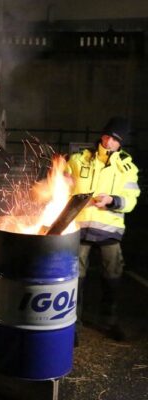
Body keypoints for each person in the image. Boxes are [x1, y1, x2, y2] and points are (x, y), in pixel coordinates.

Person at [67, 116, 141, 341]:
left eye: (116, 139)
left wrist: (112, 200)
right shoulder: (79, 159)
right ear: (102, 135)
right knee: (75, 279)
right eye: (108, 136)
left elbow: (132, 199)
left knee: (113, 276)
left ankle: (108, 321)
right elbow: (62, 184)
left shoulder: (127, 167)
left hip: (110, 230)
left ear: (121, 143)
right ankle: (72, 325)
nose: (109, 142)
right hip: (80, 227)